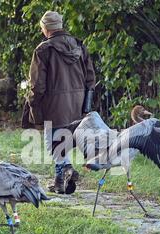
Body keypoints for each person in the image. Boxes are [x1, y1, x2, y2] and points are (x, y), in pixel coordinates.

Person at [25, 10, 96, 194]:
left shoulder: (43, 50)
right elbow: (90, 79)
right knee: (63, 141)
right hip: (78, 103)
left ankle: (67, 170)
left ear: (45, 28)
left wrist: (33, 103)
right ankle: (59, 183)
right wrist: (85, 104)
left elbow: (38, 85)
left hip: (54, 104)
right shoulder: (79, 46)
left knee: (53, 144)